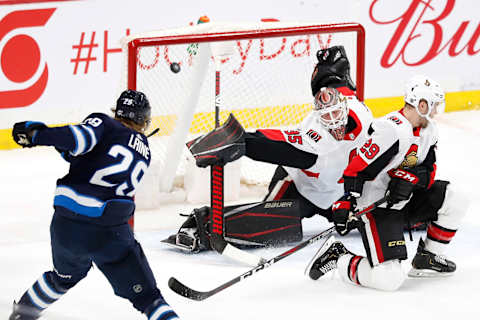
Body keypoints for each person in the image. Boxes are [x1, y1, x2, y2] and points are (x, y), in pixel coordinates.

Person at [164, 46, 374, 252]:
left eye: (336, 116)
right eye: (327, 117)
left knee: (387, 217)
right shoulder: (322, 124)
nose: (333, 122)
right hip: (298, 185)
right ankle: (202, 227)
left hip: (337, 196)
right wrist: (244, 141)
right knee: (264, 226)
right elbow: (287, 149)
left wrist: (351, 198)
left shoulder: (356, 116)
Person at [9, 90, 180, 320]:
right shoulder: (145, 151)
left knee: (63, 278)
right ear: (144, 120)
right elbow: (88, 152)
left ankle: (23, 314)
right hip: (109, 232)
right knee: (149, 299)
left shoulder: (104, 123)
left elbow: (78, 140)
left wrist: (38, 135)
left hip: (66, 226)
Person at [305, 75, 470, 290]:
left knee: (457, 198)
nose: (436, 110)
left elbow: (430, 172)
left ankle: (428, 258)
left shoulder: (430, 130)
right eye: (434, 105)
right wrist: (347, 201)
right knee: (388, 280)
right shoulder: (391, 130)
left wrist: (412, 180)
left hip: (406, 200)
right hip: (378, 207)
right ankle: (339, 256)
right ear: (422, 104)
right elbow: (356, 169)